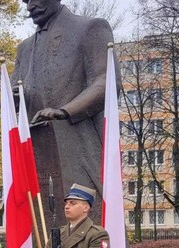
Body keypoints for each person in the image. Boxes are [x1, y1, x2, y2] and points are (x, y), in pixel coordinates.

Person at [12, 0, 116, 226]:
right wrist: (13, 98)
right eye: (25, 1)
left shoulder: (90, 28)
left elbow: (106, 81)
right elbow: (17, 94)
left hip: (77, 146)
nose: (29, 7)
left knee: (90, 227)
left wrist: (65, 111)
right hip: (36, 151)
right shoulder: (24, 49)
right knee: (42, 227)